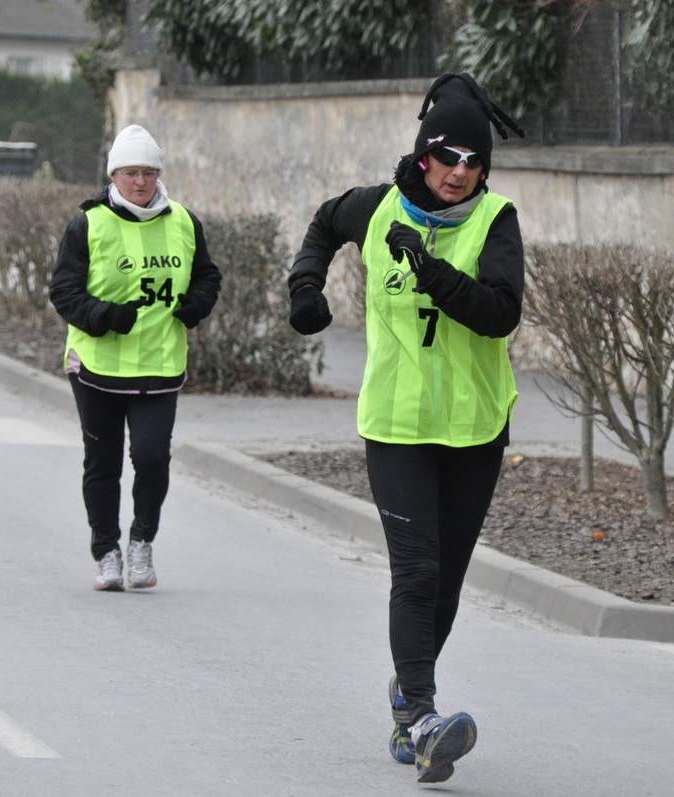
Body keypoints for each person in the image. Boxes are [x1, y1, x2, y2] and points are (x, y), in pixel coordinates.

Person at [286, 73, 525, 784]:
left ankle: (405, 699)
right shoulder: (377, 207)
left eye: (473, 162)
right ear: (424, 154)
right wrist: (306, 287)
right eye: (447, 156)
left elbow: (500, 313)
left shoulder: (496, 220)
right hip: (396, 427)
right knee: (416, 572)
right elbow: (324, 223)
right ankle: (422, 719)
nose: (459, 172)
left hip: (474, 430)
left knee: (445, 583)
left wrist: (432, 273)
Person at [49, 124, 221, 592]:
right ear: (113, 176)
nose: (140, 182)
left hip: (160, 364)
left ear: (159, 175)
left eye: (148, 172)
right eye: (130, 173)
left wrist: (196, 305)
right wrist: (104, 316)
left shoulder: (183, 221)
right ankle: (106, 552)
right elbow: (63, 292)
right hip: (97, 365)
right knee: (103, 463)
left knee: (152, 457)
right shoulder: (88, 224)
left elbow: (207, 277)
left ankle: (142, 540)